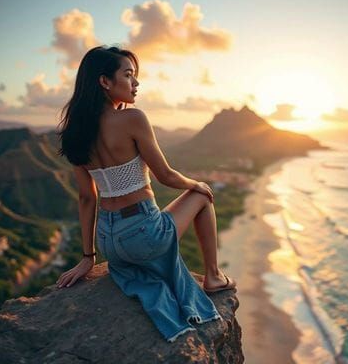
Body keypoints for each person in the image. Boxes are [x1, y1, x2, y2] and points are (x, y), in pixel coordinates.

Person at [55, 45, 233, 342]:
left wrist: (88, 257)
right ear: (104, 82)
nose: (136, 84)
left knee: (167, 218)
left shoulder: (74, 131)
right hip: (142, 233)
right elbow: (165, 176)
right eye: (128, 75)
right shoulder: (133, 118)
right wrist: (195, 185)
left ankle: (194, 271)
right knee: (202, 197)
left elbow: (87, 198)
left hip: (110, 242)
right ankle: (213, 277)